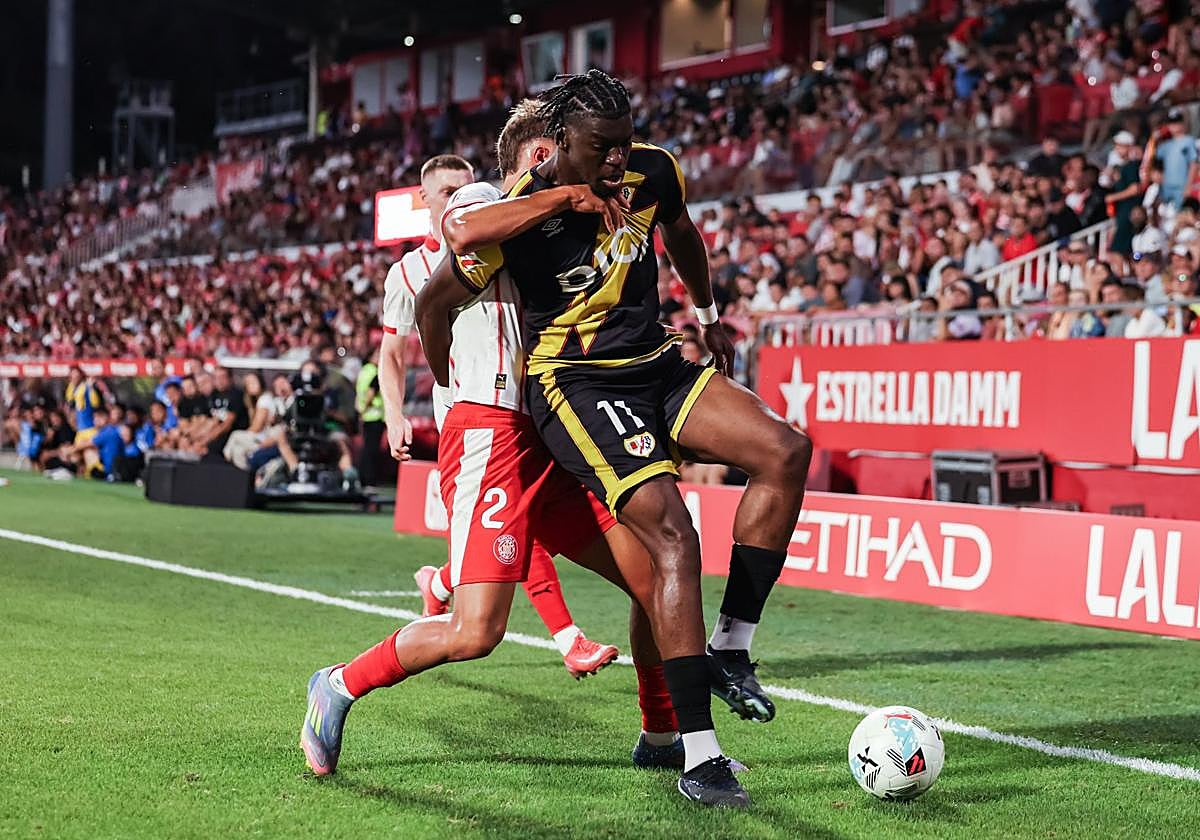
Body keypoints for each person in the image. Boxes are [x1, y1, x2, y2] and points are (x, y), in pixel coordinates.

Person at [421, 71, 812, 803]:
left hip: (655, 361)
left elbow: (684, 234)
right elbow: (437, 295)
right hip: (575, 381)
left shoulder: (652, 169)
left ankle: (731, 648)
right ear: (559, 142)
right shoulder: (518, 211)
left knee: (785, 450)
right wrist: (444, 381)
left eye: (623, 143)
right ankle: (699, 757)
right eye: (600, 148)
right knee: (674, 539)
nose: (615, 160)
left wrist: (707, 308)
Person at [302, 122, 693, 799]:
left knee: (655, 576)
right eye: (558, 152)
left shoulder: (568, 224)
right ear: (532, 158)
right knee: (476, 632)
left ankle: (662, 737)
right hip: (492, 432)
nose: (575, 163)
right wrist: (562, 197)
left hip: (557, 423)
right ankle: (338, 684)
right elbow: (466, 234)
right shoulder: (492, 199)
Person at [375, 150, 618, 677]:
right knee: (512, 528)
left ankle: (438, 583)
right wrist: (395, 413)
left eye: (467, 186)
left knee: (512, 528)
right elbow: (392, 352)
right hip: (469, 414)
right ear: (426, 201)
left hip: (525, 409)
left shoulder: (510, 246)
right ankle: (568, 637)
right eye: (445, 192)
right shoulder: (409, 272)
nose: (460, 197)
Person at [354, 347, 386, 489]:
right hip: (374, 417)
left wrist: (360, 411)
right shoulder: (376, 373)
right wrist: (365, 408)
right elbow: (371, 393)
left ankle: (362, 479)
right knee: (371, 451)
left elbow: (359, 392)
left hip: (365, 417)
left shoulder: (363, 371)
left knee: (366, 449)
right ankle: (369, 481)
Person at [1155, 109, 1199, 208]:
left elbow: (1194, 164)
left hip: (1181, 187)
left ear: (1183, 123)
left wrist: (1189, 186)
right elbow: (1157, 166)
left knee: (1180, 216)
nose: (1174, 126)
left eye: (1177, 122)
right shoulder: (1164, 145)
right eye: (1171, 123)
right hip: (1165, 188)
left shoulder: (1189, 141)